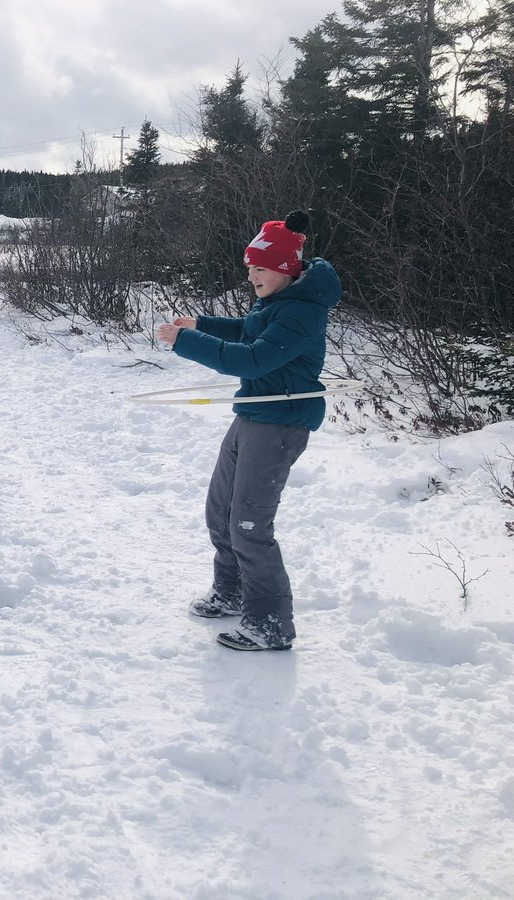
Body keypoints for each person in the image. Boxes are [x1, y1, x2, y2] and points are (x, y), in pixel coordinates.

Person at [155, 210, 341, 651]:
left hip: (279, 423)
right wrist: (201, 325)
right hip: (253, 416)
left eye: (261, 269)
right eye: (251, 269)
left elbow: (252, 360)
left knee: (249, 525)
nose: (253, 276)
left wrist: (185, 343)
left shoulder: (302, 314)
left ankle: (269, 624)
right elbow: (246, 331)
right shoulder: (277, 303)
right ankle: (232, 591)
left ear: (285, 269)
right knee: (220, 513)